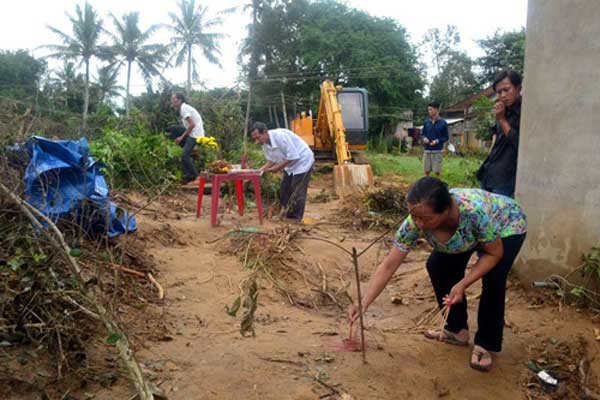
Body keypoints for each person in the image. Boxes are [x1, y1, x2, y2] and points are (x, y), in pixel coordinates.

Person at [347, 177, 527, 371]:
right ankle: (457, 330)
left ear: (447, 210)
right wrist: (363, 302)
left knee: (494, 278)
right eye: (414, 216)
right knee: (437, 265)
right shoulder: (416, 220)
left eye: (426, 219)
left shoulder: (473, 214)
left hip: (506, 224)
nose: (419, 223)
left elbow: (494, 253)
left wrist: (463, 284)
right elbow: (389, 265)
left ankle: (486, 342)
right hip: (469, 235)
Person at [250, 122, 315, 221]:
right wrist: (261, 170)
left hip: (303, 160)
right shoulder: (265, 144)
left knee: (297, 190)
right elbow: (272, 160)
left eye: (258, 138)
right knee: (284, 190)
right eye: (254, 139)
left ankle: (295, 218)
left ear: (265, 132)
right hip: (290, 165)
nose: (257, 142)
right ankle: (286, 214)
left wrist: (277, 168)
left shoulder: (280, 136)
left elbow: (293, 156)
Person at [477, 70, 523, 197]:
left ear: (518, 88)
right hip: (489, 173)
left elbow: (520, 145)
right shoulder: (502, 110)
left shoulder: (524, 112)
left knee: (500, 215)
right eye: (499, 92)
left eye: (506, 90)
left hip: (505, 179)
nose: (502, 95)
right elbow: (495, 133)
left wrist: (502, 120)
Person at [170, 92, 205, 184]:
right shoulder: (184, 108)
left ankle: (195, 176)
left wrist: (181, 138)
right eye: (172, 99)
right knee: (173, 129)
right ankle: (192, 149)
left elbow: (192, 125)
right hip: (192, 132)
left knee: (184, 156)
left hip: (195, 134)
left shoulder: (184, 109)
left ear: (179, 100)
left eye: (174, 99)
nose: (172, 101)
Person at [421, 101, 449, 177]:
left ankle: (438, 186)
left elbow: (446, 137)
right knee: (426, 171)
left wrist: (437, 141)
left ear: (436, 110)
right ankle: (427, 185)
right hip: (427, 150)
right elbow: (423, 134)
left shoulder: (443, 123)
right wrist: (424, 138)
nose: (429, 111)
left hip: (437, 151)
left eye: (430, 109)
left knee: (437, 172)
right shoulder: (427, 122)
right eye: (428, 109)